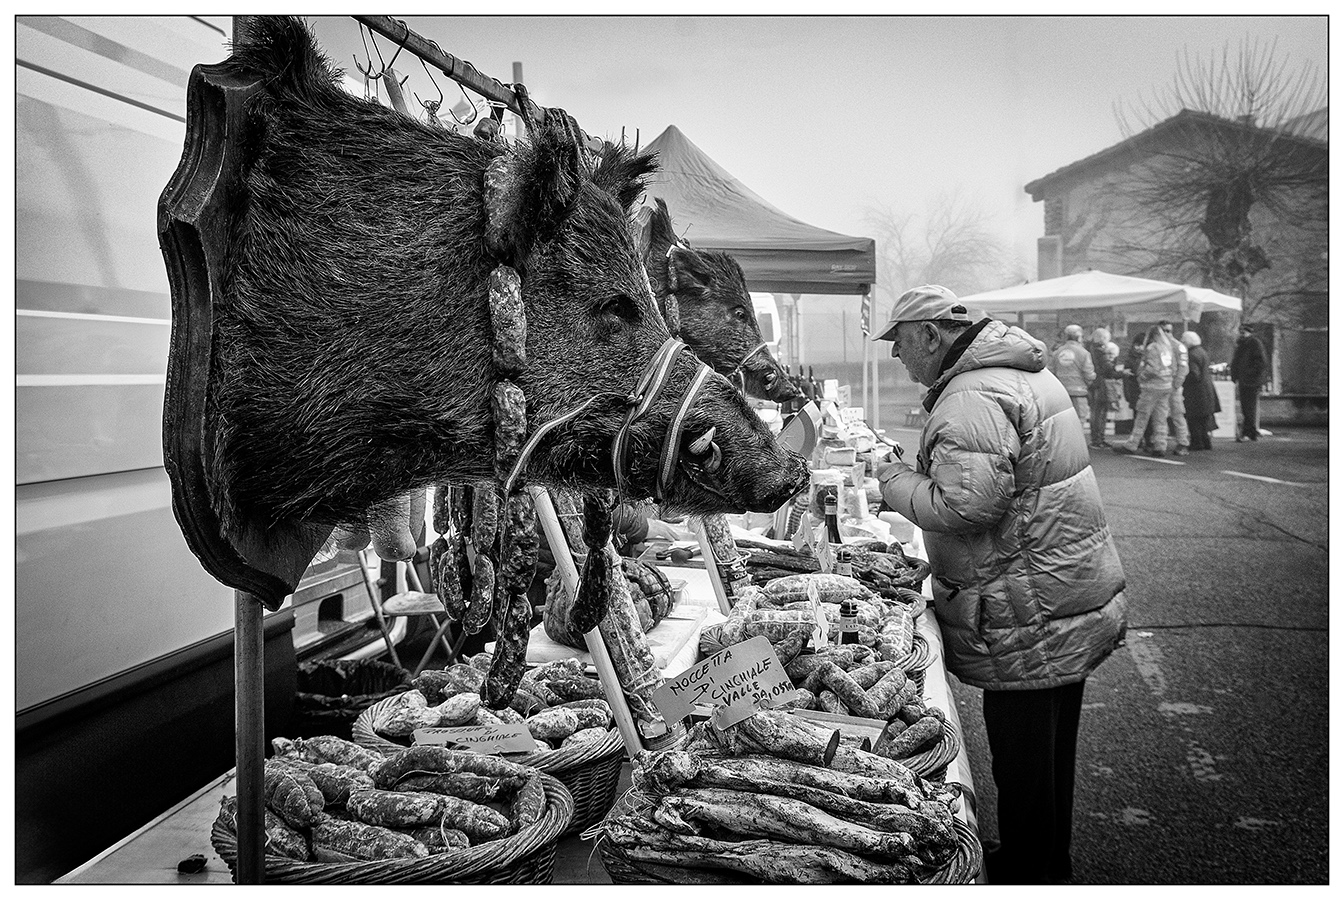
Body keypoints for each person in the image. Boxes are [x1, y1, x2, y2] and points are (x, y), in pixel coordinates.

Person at [869, 285, 1127, 885]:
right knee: (1050, 752)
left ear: (932, 335)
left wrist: (893, 481)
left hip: (1025, 605)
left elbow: (967, 506)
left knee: (1024, 758)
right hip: (1061, 590)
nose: (898, 359)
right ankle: (1045, 860)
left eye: (901, 344)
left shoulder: (974, 394)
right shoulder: (1020, 373)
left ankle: (1033, 875)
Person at [1113, 325, 1174, 458]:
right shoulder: (1167, 348)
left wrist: (1141, 377)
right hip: (1166, 385)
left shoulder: (1152, 348)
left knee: (1142, 417)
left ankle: (1132, 444)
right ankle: (1160, 446)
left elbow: (1152, 368)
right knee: (1160, 418)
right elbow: (1173, 367)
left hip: (1151, 387)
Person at [1047, 324, 1095, 427]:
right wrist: (1090, 383)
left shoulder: (1057, 353)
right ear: (1079, 337)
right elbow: (1088, 373)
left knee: (1062, 423)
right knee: (1078, 421)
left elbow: (1050, 372)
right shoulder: (1084, 353)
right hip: (1079, 392)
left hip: (1061, 393)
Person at [1181, 330, 1220, 450]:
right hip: (1206, 390)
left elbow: (1193, 374)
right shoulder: (1202, 352)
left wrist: (1182, 379)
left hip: (1195, 392)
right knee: (1203, 420)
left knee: (1194, 419)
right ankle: (1206, 441)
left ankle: (1196, 443)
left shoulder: (1191, 355)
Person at [1229, 323, 1268, 441]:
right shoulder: (1245, 344)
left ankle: (1248, 431)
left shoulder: (1252, 344)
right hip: (1247, 379)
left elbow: (1260, 363)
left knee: (1248, 407)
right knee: (1247, 407)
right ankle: (1249, 431)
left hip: (1250, 380)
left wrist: (1245, 373)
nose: (1241, 333)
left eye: (1243, 332)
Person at [1159, 321, 1190, 457]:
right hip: (1159, 386)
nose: (1166, 334)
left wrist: (1176, 384)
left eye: (1168, 330)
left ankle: (1183, 443)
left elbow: (1183, 368)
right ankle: (1160, 443)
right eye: (1163, 331)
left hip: (1172, 387)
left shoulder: (1178, 346)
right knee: (1159, 416)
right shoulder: (1156, 346)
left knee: (1177, 414)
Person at [1085, 327, 1117, 448]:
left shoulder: (1088, 349)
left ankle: (1096, 439)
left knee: (1095, 411)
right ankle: (1098, 439)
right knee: (1100, 412)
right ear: (1103, 338)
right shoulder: (1100, 351)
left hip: (1091, 384)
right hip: (1100, 384)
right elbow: (1107, 368)